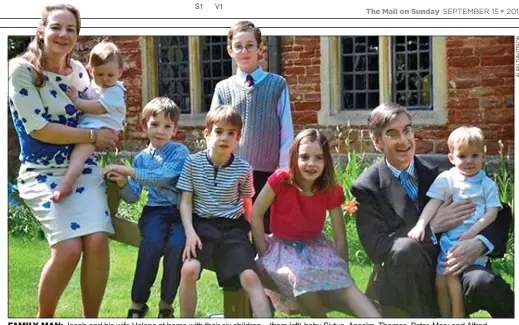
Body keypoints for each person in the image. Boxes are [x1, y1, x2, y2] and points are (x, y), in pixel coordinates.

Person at [351, 102, 514, 317]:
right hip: (405, 287)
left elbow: (501, 213)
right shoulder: (367, 186)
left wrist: (480, 243)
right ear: (377, 142)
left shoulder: (448, 168)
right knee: (404, 249)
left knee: (485, 282)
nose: (404, 140)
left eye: (407, 130)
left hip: (454, 266)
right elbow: (378, 247)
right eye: (393, 134)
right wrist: (432, 227)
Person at [8, 4, 118, 317]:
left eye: (71, 29)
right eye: (56, 27)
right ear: (41, 30)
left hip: (81, 168)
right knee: (69, 248)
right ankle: (45, 319)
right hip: (40, 173)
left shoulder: (81, 71)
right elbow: (40, 129)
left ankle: (91, 319)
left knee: (97, 239)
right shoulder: (21, 71)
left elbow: (91, 111)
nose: (63, 34)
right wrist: (94, 139)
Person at [251, 128, 380, 318]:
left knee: (345, 284)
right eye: (304, 157)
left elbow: (339, 235)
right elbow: (256, 214)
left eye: (318, 158)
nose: (311, 164)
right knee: (302, 276)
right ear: (294, 158)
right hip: (281, 248)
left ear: (326, 161)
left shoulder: (330, 189)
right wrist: (263, 253)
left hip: (316, 247)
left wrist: (343, 267)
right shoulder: (280, 180)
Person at [176, 105, 271, 318]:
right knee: (189, 270)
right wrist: (190, 233)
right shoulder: (192, 163)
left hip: (233, 227)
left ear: (238, 138)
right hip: (202, 225)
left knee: (250, 277)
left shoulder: (243, 168)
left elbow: (247, 202)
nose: (224, 138)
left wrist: (250, 232)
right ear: (207, 134)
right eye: (219, 131)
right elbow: (185, 203)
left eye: (231, 133)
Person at [102, 97, 190, 318]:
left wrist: (128, 171)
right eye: (154, 124)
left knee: (177, 248)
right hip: (155, 213)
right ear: (144, 126)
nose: (160, 131)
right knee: (150, 246)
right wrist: (122, 182)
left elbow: (163, 176)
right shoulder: (141, 158)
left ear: (175, 129)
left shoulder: (180, 152)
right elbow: (133, 197)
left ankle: (166, 306)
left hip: (182, 213)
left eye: (167, 126)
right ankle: (137, 305)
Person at [407, 126, 502, 317]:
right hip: (448, 243)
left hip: (470, 242)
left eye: (475, 155)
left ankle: (457, 317)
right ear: (451, 158)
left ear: (483, 156)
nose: (469, 161)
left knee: (451, 278)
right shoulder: (447, 179)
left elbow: (492, 213)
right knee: (440, 282)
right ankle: (445, 317)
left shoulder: (487, 184)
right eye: (462, 156)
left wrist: (472, 233)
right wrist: (420, 225)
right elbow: (433, 204)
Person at [210, 20, 294, 234]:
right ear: (230, 51)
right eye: (238, 46)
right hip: (232, 170)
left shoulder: (277, 84)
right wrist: (214, 166)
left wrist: (284, 170)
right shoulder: (223, 89)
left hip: (266, 172)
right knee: (235, 226)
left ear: (260, 48)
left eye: (250, 45)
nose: (244, 50)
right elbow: (214, 130)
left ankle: (263, 266)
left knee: (264, 228)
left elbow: (285, 128)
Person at [52, 41, 126, 202]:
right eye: (100, 75)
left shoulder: (115, 91)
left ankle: (67, 183)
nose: (105, 79)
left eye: (110, 75)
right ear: (91, 70)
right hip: (91, 126)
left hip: (102, 127)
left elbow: (97, 108)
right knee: (77, 153)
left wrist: (76, 101)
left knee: (79, 154)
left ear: (120, 72)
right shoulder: (94, 85)